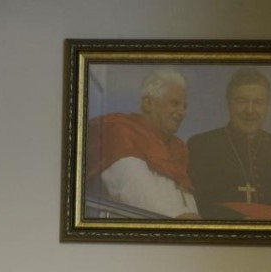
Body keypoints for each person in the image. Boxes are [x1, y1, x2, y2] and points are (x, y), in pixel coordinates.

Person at [187, 68, 271, 221]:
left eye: (258, 102)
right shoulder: (202, 145)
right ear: (229, 103)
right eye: (241, 101)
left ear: (267, 107)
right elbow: (193, 206)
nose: (250, 110)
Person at [84, 68, 198, 219]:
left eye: (184, 106)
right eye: (175, 103)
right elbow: (135, 191)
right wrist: (180, 221)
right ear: (148, 103)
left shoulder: (177, 149)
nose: (182, 112)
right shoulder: (121, 132)